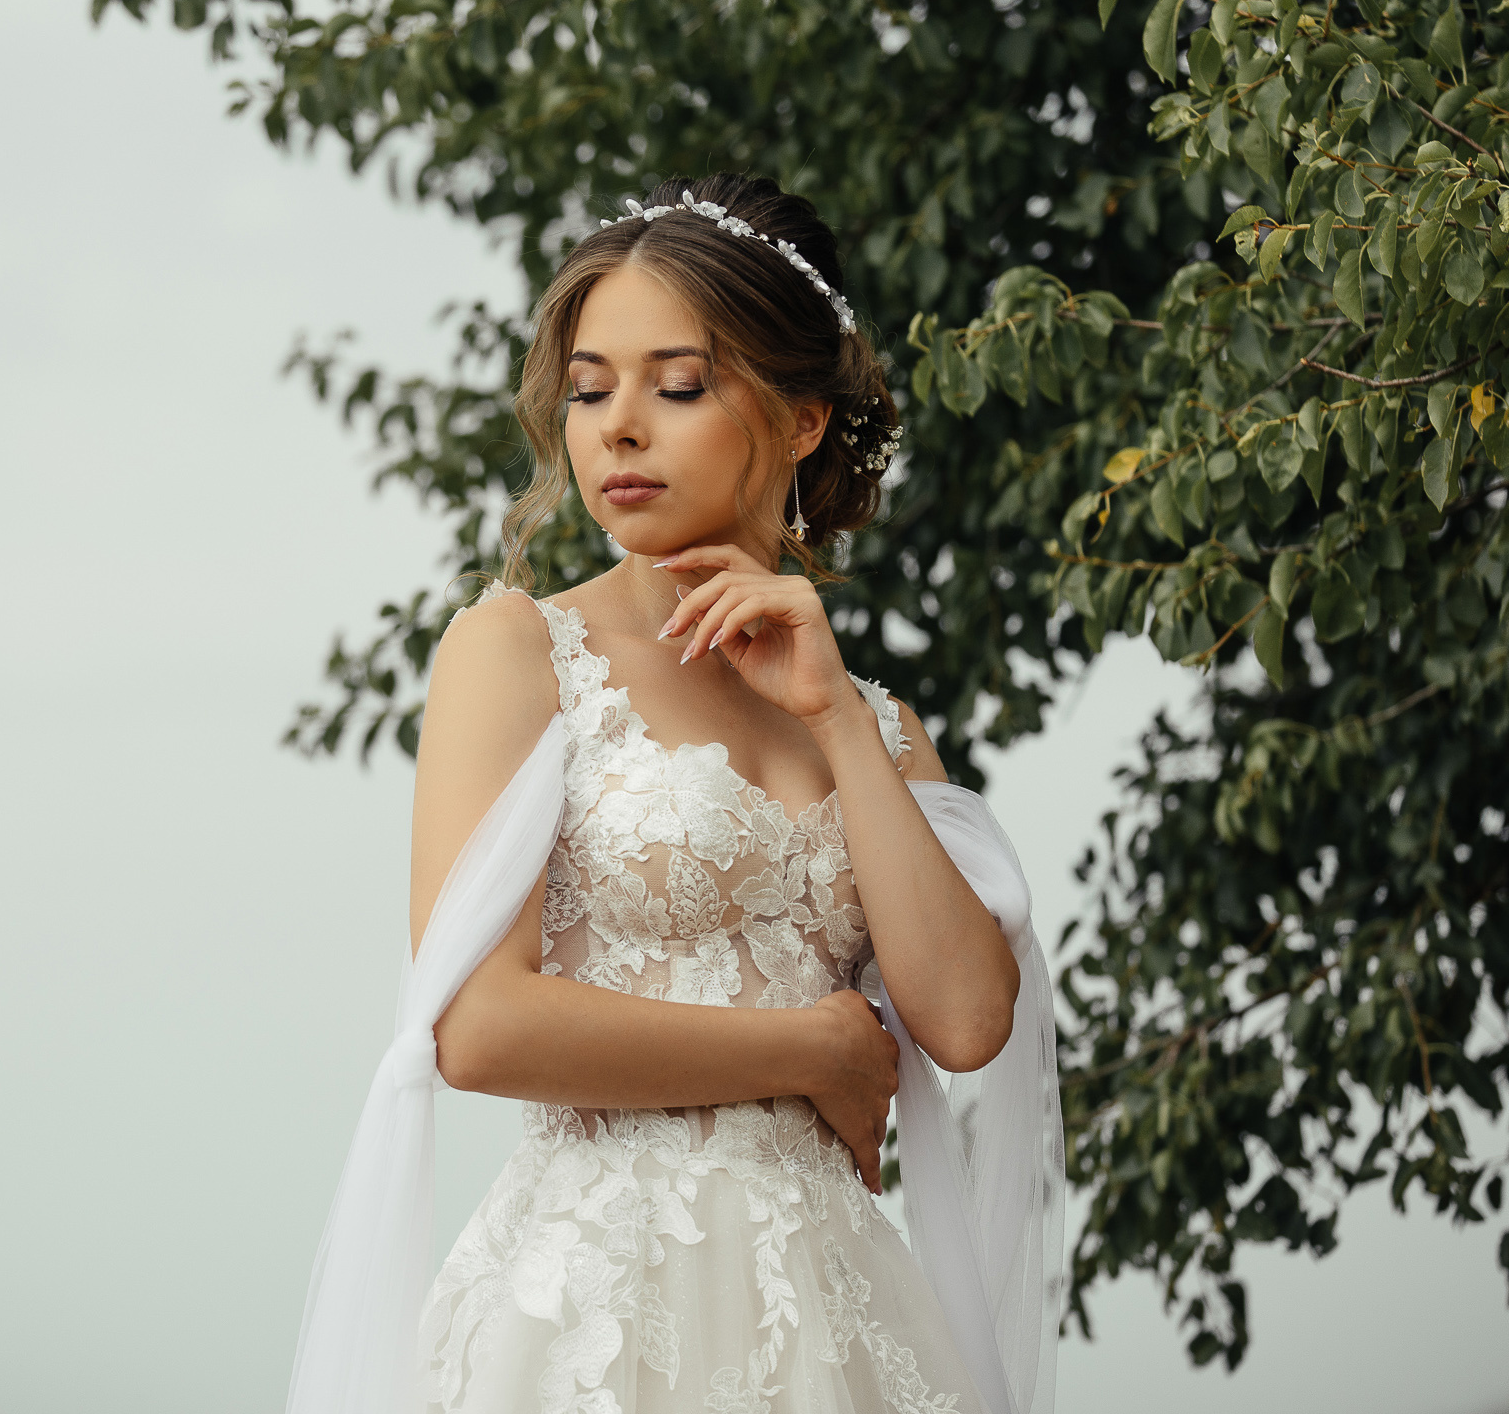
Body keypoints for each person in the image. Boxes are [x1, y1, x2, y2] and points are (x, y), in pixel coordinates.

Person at [286, 174, 1060, 1414]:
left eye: (677, 384)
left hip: (835, 1320)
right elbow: (474, 1026)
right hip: (591, 1317)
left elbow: (969, 1020)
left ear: (802, 419)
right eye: (589, 389)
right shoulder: (515, 650)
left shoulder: (876, 721)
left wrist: (842, 725)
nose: (617, 427)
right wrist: (808, 1047)